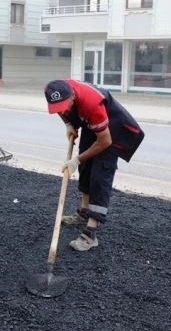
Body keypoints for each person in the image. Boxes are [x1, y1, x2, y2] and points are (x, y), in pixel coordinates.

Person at [44, 79, 145, 252]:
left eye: (64, 105)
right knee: (86, 168)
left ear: (73, 95)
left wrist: (76, 160)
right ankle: (84, 212)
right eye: (57, 107)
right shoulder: (52, 89)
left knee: (100, 174)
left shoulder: (91, 104)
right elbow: (60, 109)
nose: (63, 110)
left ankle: (91, 232)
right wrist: (68, 123)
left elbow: (105, 140)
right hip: (91, 124)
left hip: (112, 128)